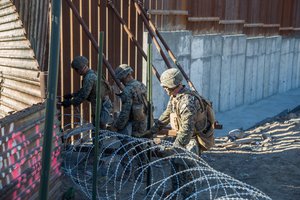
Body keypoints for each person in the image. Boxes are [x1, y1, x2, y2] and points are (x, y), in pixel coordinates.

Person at [149, 68, 215, 198]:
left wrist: (175, 147)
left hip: (191, 141)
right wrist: (152, 130)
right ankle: (174, 193)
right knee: (176, 170)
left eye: (165, 86)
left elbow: (187, 129)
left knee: (188, 174)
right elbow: (166, 115)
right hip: (183, 138)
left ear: (172, 85)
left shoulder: (187, 101)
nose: (164, 89)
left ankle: (187, 196)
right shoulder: (175, 97)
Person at [61, 56, 113, 129]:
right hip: (102, 104)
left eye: (76, 70)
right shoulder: (93, 73)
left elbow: (84, 95)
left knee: (98, 130)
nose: (76, 72)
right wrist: (72, 95)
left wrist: (70, 102)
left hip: (102, 106)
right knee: (99, 129)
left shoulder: (89, 77)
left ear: (80, 68)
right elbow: (85, 90)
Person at [110, 64, 148, 138]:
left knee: (132, 146)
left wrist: (116, 126)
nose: (121, 81)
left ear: (124, 76)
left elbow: (125, 113)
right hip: (145, 121)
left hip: (135, 125)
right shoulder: (141, 85)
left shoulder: (127, 90)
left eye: (121, 78)